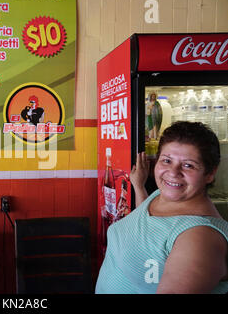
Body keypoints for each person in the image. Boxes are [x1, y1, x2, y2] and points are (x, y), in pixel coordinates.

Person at [95, 121, 228, 294]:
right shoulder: (162, 195)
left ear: (210, 173)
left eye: (188, 165)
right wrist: (139, 186)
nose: (173, 172)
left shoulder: (200, 237)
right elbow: (147, 227)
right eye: (166, 160)